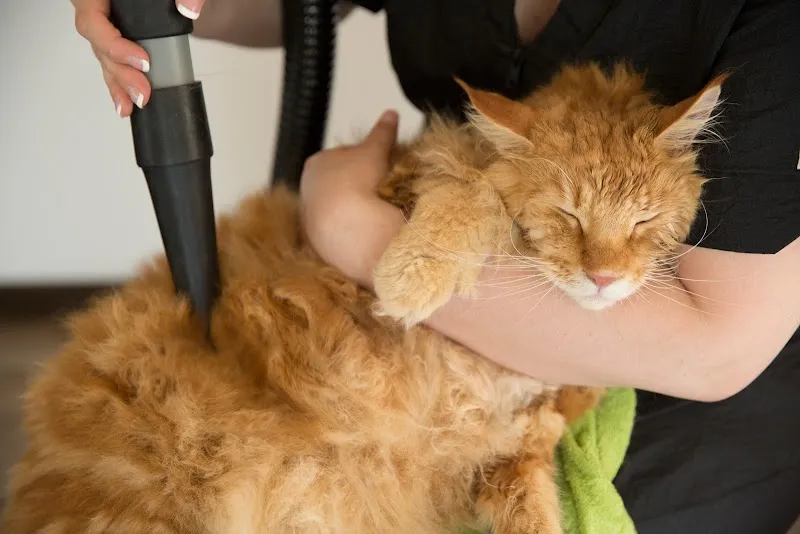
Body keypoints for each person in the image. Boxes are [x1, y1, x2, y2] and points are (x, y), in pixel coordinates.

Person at [71, 0, 800, 532]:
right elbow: (298, 8)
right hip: (459, 260)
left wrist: (351, 226)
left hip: (679, 382)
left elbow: (716, 355)